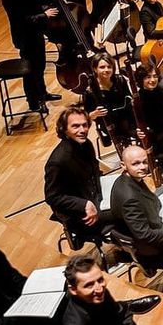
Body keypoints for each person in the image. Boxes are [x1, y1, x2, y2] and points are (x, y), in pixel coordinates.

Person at [110, 145, 163, 269]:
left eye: (145, 162)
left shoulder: (126, 180)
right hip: (155, 247)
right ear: (123, 165)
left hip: (156, 224)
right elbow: (145, 235)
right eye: (136, 164)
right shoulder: (129, 198)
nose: (143, 167)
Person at [1, 0, 59, 111]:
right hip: (25, 37)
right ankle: (33, 102)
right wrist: (44, 15)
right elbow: (21, 19)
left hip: (36, 33)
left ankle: (43, 93)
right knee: (30, 70)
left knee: (39, 66)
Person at [44, 105, 107, 250]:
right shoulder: (58, 161)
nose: (82, 130)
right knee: (126, 211)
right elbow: (52, 197)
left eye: (85, 125)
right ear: (65, 130)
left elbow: (94, 172)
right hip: (79, 213)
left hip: (95, 197)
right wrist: (84, 204)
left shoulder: (86, 145)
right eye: (76, 126)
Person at [81, 53, 136, 153]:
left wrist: (133, 101)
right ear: (95, 69)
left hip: (127, 117)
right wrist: (95, 113)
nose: (106, 70)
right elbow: (86, 116)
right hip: (108, 123)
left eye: (109, 67)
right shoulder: (90, 91)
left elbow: (128, 98)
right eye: (102, 67)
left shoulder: (120, 80)